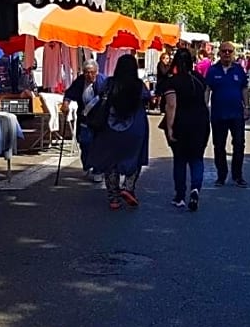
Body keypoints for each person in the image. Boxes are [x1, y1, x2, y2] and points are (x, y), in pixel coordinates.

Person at [88, 54, 151, 210]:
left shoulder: (109, 83)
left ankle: (114, 197)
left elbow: (97, 95)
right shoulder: (139, 86)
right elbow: (147, 99)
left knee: (111, 161)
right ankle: (128, 188)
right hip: (135, 128)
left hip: (110, 128)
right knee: (135, 157)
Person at [161, 48, 210, 211]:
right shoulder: (199, 79)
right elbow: (204, 101)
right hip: (200, 122)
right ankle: (196, 188)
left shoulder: (172, 81)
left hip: (181, 123)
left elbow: (171, 106)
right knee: (197, 158)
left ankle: (180, 195)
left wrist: (169, 128)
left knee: (180, 159)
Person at [205, 41, 250, 186]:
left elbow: (244, 89)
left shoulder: (239, 70)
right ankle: (221, 175)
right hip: (218, 115)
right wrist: (205, 106)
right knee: (219, 145)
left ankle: (237, 175)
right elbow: (207, 89)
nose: (227, 54)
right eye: (224, 51)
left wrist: (247, 106)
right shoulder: (212, 70)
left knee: (239, 144)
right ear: (219, 53)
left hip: (236, 114)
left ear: (233, 54)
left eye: (230, 51)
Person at [61, 60, 106, 182]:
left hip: (99, 119)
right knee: (85, 142)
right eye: (86, 72)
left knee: (98, 145)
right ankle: (87, 163)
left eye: (91, 72)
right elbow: (70, 93)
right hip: (84, 117)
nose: (89, 75)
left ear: (96, 72)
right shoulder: (80, 81)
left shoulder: (103, 81)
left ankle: (98, 170)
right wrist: (65, 103)